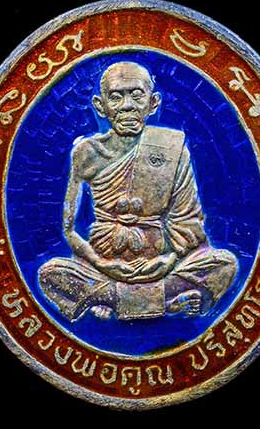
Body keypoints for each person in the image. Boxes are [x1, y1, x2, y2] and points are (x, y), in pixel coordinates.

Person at [39, 61, 237, 321]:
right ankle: (165, 302)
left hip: (161, 263)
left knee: (225, 263)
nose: (127, 106)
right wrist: (102, 264)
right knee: (50, 273)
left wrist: (169, 259)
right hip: (102, 264)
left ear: (153, 103)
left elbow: (188, 221)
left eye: (136, 95)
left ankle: (109, 298)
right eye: (116, 97)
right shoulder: (86, 153)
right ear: (100, 105)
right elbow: (69, 230)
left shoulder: (172, 148)